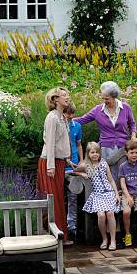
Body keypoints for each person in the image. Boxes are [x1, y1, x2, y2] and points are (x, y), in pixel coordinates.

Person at [37, 87, 72, 244]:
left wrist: (66, 160)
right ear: (55, 99)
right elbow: (50, 143)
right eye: (64, 95)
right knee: (52, 199)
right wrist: (50, 166)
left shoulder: (62, 117)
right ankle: (54, 237)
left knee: (58, 199)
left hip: (59, 162)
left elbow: (61, 143)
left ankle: (61, 236)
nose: (68, 97)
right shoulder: (52, 117)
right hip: (49, 164)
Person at [73, 81, 137, 163]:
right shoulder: (97, 110)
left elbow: (132, 124)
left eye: (107, 99)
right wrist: (65, 119)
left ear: (114, 96)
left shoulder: (125, 107)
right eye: (103, 98)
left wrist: (133, 137)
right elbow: (82, 120)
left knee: (122, 172)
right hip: (106, 148)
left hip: (123, 148)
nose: (104, 101)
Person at [81, 142, 120, 250]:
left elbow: (111, 180)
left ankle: (113, 240)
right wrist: (82, 174)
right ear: (88, 154)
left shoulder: (103, 163)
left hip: (109, 193)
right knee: (101, 215)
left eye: (97, 152)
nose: (95, 154)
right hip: (97, 195)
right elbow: (74, 170)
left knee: (110, 213)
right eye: (92, 152)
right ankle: (104, 239)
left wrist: (116, 194)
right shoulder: (86, 165)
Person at [64, 102, 83, 243]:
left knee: (73, 196)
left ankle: (72, 227)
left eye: (72, 113)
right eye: (68, 113)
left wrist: (82, 161)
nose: (71, 116)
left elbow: (78, 144)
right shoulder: (60, 125)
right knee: (58, 197)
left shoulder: (77, 126)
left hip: (74, 166)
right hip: (61, 165)